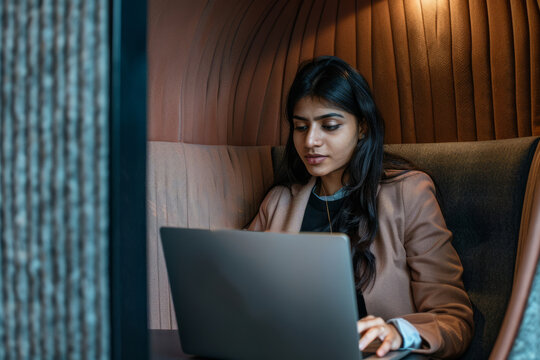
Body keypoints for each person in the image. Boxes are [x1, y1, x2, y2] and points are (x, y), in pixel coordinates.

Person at [247, 56, 474, 358]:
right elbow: (240, 294)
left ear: (362, 128)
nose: (310, 141)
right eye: (300, 127)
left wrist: (396, 332)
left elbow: (453, 318)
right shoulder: (279, 202)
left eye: (329, 126)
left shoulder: (409, 193)